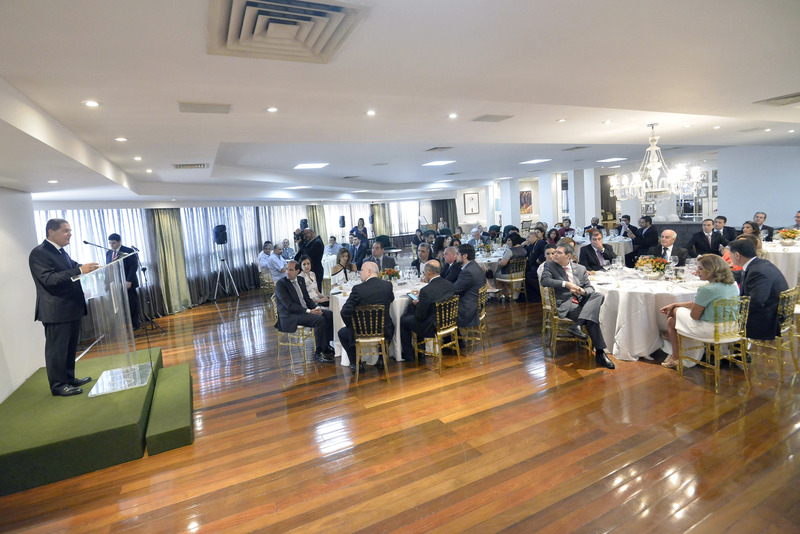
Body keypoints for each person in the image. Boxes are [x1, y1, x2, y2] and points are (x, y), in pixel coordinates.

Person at [29, 218, 100, 396]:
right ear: (51, 232)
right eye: (65, 231)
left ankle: (69, 378)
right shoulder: (40, 253)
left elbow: (73, 267)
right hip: (56, 311)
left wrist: (89, 267)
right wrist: (79, 270)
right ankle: (58, 385)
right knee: (57, 350)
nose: (70, 234)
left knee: (69, 347)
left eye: (70, 231)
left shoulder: (60, 252)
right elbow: (49, 279)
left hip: (70, 308)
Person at [539, 242, 615, 369]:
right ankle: (600, 353)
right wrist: (566, 284)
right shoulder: (550, 265)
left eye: (558, 252)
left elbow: (590, 288)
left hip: (581, 300)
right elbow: (545, 281)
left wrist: (582, 291)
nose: (554, 254)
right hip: (567, 303)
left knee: (598, 295)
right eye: (555, 252)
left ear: (568, 256)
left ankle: (577, 325)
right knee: (591, 318)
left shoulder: (580, 268)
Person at [659, 254, 741, 369]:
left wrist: (674, 308)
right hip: (732, 328)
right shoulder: (732, 285)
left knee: (674, 314)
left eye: (701, 268)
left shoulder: (706, 289)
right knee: (672, 320)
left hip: (712, 331)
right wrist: (675, 304)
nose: (697, 272)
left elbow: (695, 316)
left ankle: (674, 354)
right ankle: (674, 350)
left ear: (711, 270)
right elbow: (700, 304)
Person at [337, 261, 395, 373]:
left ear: (369, 272)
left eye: (361, 270)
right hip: (383, 329)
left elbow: (345, 312)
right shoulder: (387, 286)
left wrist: (351, 326)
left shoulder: (358, 289)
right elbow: (391, 299)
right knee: (391, 324)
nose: (359, 273)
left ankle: (356, 363)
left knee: (342, 333)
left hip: (361, 331)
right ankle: (382, 358)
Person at [274, 260, 335, 363]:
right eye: (287, 269)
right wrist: (309, 311)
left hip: (302, 311)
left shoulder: (300, 280)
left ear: (297, 271)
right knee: (319, 320)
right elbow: (289, 306)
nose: (287, 272)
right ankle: (319, 352)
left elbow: (307, 299)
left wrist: (316, 308)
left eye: (291, 270)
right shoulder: (281, 284)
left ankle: (326, 346)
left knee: (329, 314)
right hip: (290, 315)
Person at [729, 239, 789, 341]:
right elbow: (740, 274)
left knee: (721, 319)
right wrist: (718, 273)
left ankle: (735, 348)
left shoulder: (757, 272)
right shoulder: (760, 264)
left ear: (737, 255)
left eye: (730, 255)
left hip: (769, 319)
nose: (730, 258)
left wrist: (732, 310)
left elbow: (756, 302)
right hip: (773, 309)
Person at [400, 260, 455, 363]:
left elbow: (420, 316)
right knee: (413, 313)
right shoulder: (449, 284)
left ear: (428, 272)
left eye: (424, 272)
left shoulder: (426, 290)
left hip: (432, 326)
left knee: (404, 320)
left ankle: (409, 355)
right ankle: (420, 351)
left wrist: (418, 304)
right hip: (449, 321)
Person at [106, 233, 141, 330]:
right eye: (110, 243)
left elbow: (133, 267)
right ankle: (124, 325)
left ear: (119, 241)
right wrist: (107, 282)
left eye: (113, 243)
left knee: (131, 304)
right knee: (120, 306)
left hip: (128, 283)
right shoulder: (108, 253)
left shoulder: (128, 251)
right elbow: (108, 269)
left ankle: (135, 324)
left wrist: (129, 281)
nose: (111, 245)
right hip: (115, 284)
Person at [453, 244, 486, 330]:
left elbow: (454, 290)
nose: (455, 256)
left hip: (467, 309)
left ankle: (451, 337)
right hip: (475, 303)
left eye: (457, 254)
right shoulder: (474, 265)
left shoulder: (467, 271)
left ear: (465, 256)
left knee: (438, 309)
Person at [495, 232, 527, 300]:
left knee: (495, 274)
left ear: (513, 240)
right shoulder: (524, 250)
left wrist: (499, 261)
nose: (507, 242)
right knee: (503, 279)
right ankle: (508, 291)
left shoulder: (510, 251)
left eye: (509, 240)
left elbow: (503, 263)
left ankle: (501, 294)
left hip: (509, 274)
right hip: (521, 274)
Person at [294, 228, 325, 292]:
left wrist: (300, 243)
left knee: (316, 291)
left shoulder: (317, 242)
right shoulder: (309, 242)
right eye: (303, 235)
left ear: (312, 232)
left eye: (306, 234)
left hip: (316, 270)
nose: (305, 236)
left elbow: (308, 254)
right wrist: (298, 237)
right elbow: (301, 253)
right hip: (309, 270)